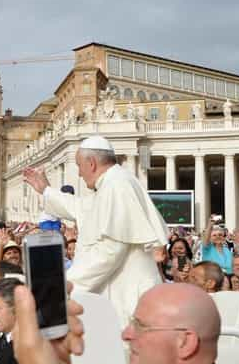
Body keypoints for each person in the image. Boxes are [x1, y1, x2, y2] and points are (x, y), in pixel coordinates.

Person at [23, 135, 167, 327]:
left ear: (91, 163)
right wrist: (46, 191)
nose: (80, 174)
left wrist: (64, 285)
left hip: (129, 299)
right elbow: (81, 208)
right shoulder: (112, 183)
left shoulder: (116, 185)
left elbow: (110, 251)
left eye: (79, 166)